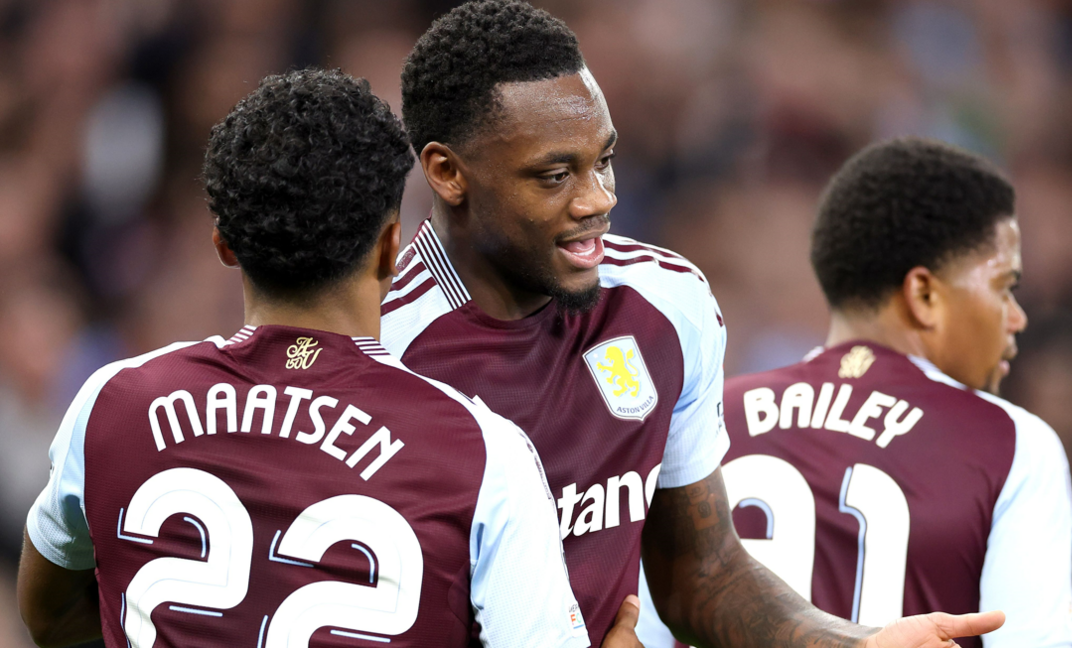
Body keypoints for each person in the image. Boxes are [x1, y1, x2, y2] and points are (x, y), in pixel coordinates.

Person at [381, 2, 1004, 646]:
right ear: (447, 173)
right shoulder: (379, 350)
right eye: (556, 175)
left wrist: (857, 644)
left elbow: (701, 570)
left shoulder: (663, 302)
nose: (599, 200)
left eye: (604, 161)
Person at [17, 68, 616, 648]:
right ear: (390, 246)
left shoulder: (115, 402)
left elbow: (47, 617)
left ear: (225, 244)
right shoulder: (482, 451)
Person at [637, 138, 1072, 648]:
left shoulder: (704, 418)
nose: (1017, 318)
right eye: (1005, 288)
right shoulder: (1013, 444)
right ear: (924, 295)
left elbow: (639, 634)